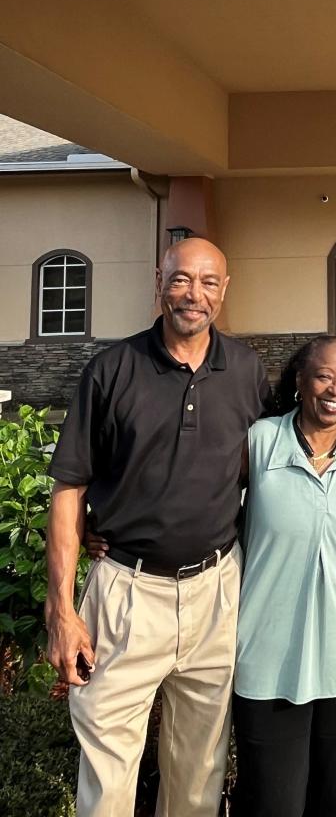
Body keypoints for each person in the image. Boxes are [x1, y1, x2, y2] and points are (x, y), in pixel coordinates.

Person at [44, 237, 272, 817]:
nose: (193, 295)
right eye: (180, 280)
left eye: (208, 282)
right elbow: (69, 487)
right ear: (158, 282)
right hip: (127, 594)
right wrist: (62, 612)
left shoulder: (246, 371)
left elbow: (263, 471)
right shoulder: (112, 370)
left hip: (216, 592)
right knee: (107, 779)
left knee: (200, 773)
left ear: (225, 290)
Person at [231, 334, 336, 817]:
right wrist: (110, 525)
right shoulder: (261, 440)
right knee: (274, 804)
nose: (335, 388)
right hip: (268, 658)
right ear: (300, 380)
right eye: (323, 375)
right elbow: (194, 496)